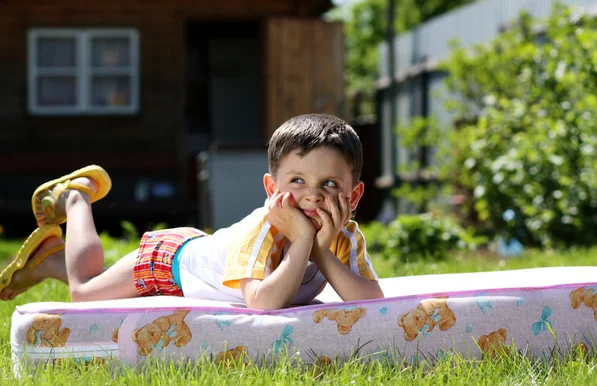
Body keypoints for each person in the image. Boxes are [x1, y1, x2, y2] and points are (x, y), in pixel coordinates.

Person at [0, 113, 384, 309]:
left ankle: (48, 259)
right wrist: (303, 241)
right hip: (170, 263)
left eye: (330, 185)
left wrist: (321, 249)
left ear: (354, 196)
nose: (312, 198)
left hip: (205, 259)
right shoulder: (264, 228)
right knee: (85, 291)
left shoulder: (343, 235)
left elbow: (369, 300)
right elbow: (264, 302)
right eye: (297, 181)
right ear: (271, 189)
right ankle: (75, 199)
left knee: (97, 284)